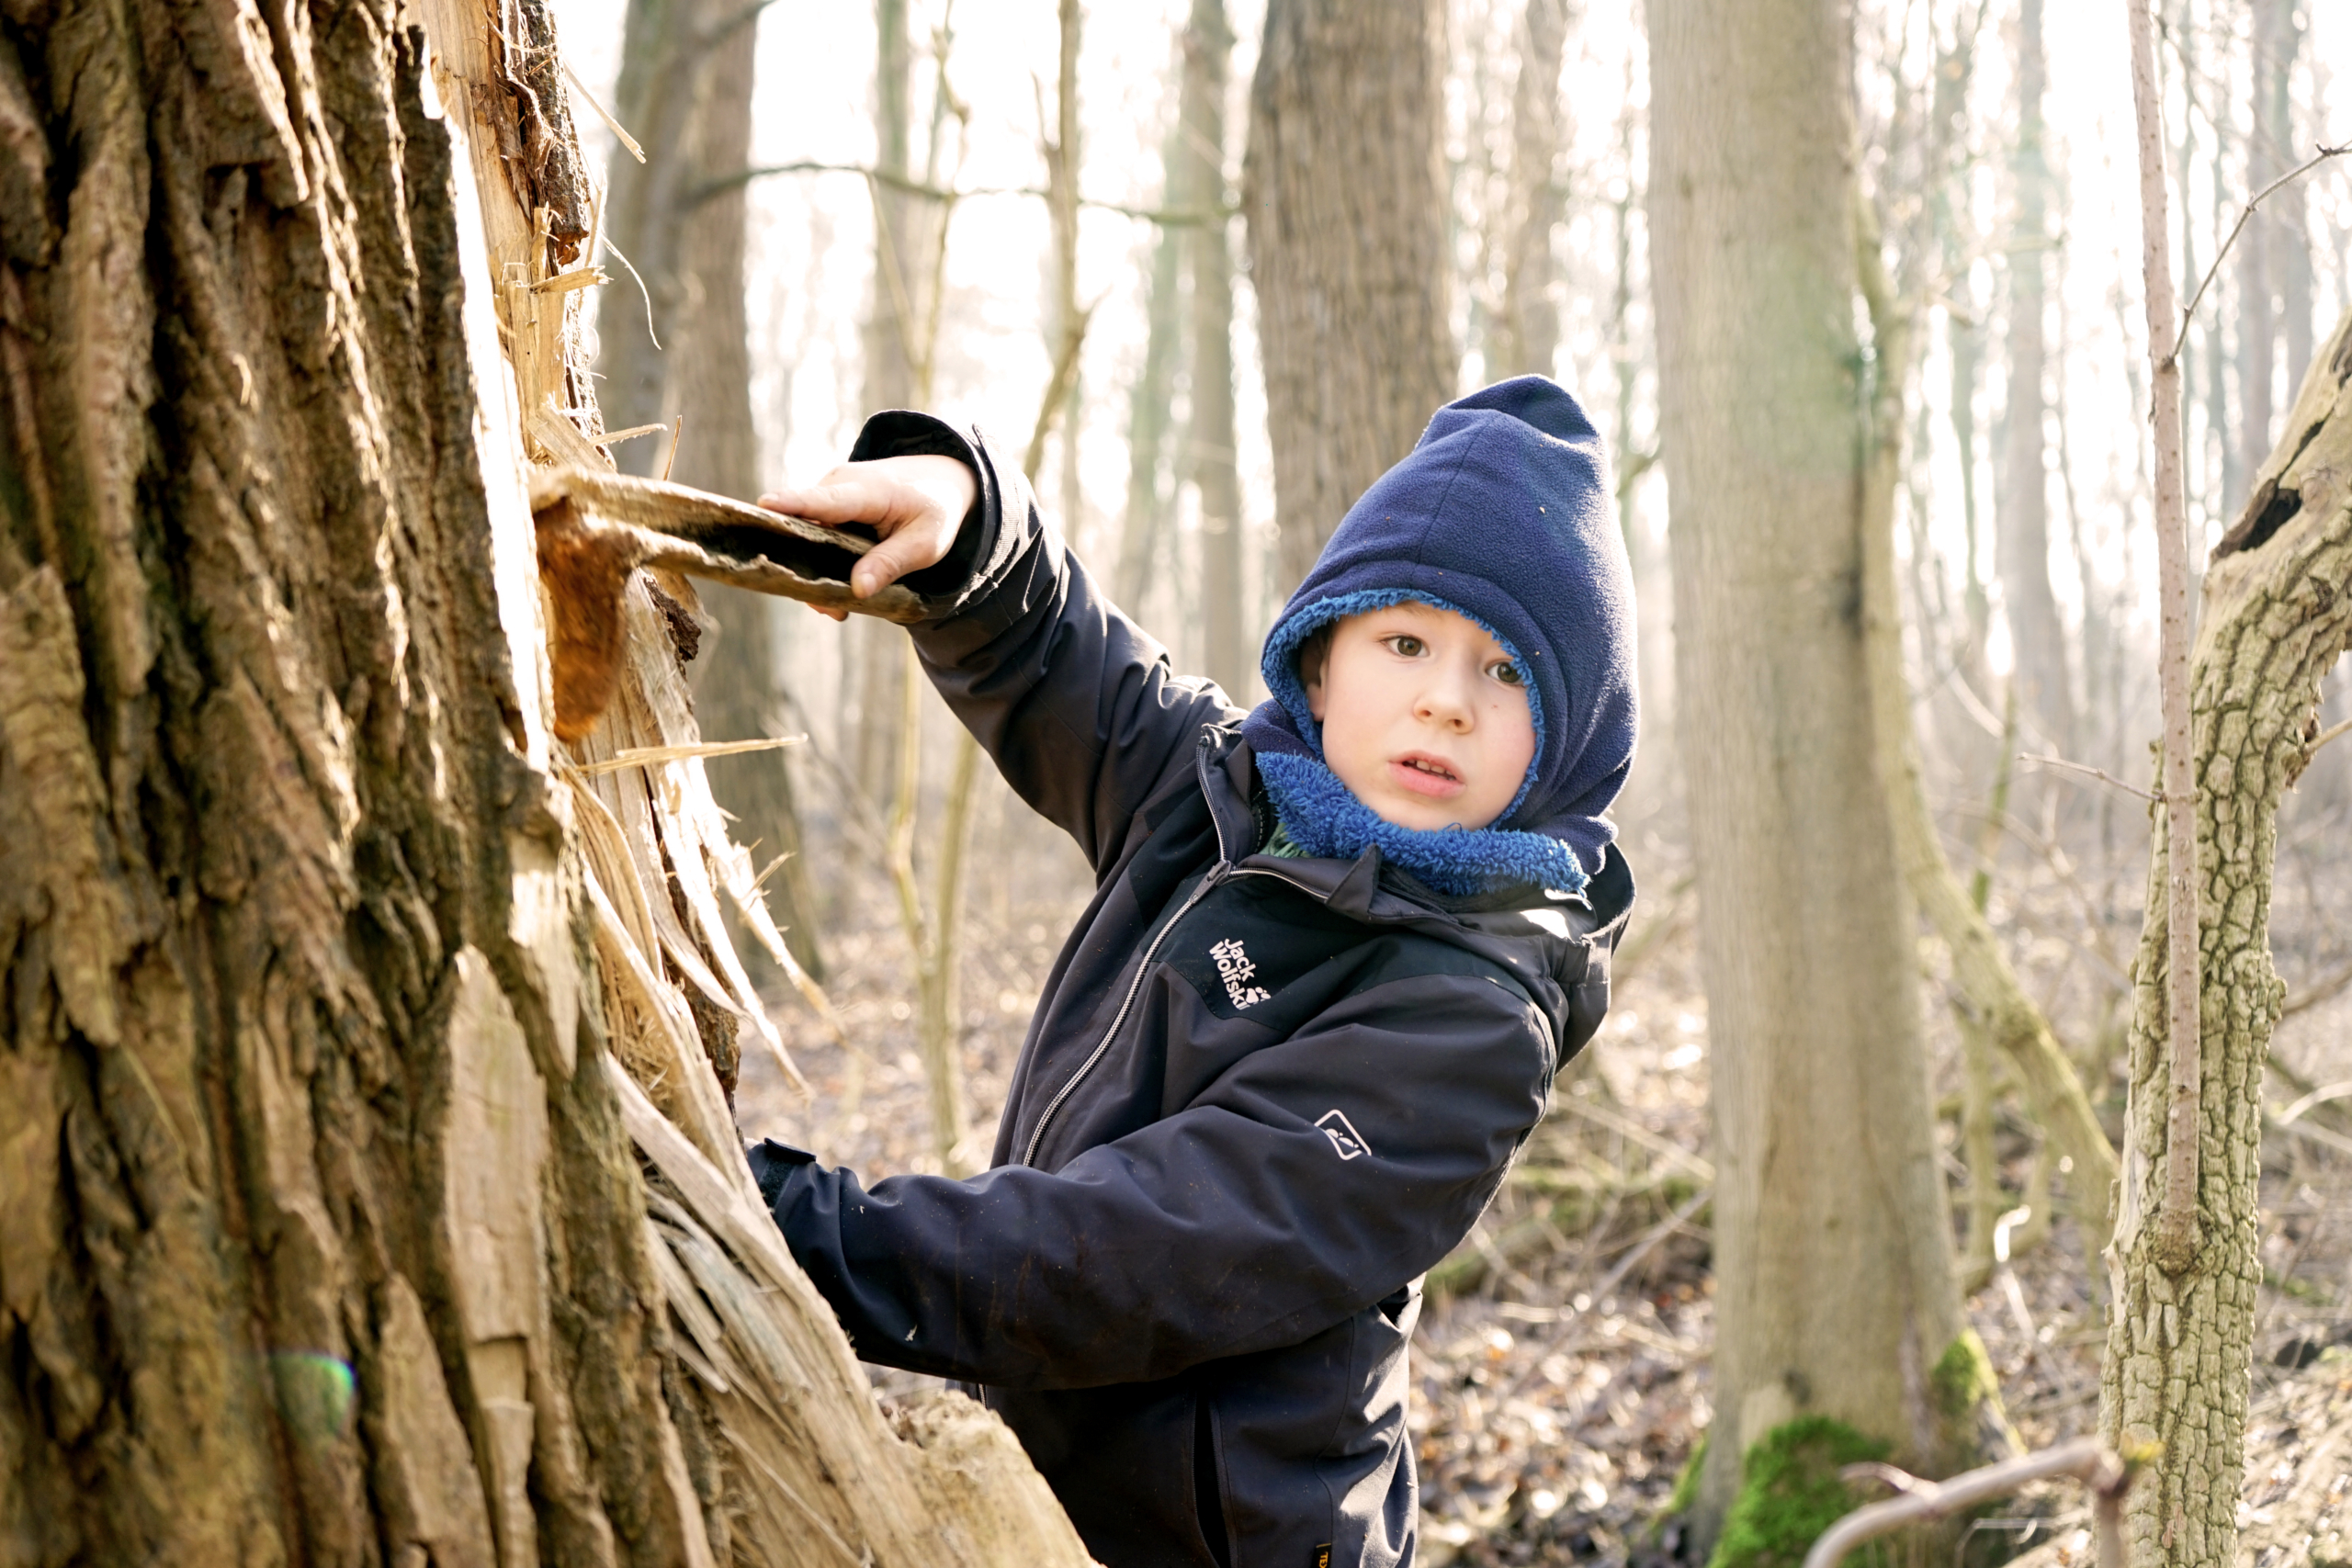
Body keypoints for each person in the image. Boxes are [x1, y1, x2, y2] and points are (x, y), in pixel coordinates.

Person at [747, 375, 1637, 1568]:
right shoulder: (1217, 795)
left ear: (1570, 741)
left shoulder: (1471, 1024)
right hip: (1038, 1488)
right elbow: (1069, 661)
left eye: (1508, 673)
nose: (1444, 699)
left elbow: (1129, 1258)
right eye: (1407, 640)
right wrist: (968, 522)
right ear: (1320, 667)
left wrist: (787, 1227)